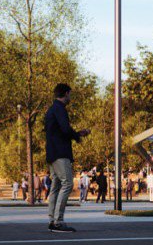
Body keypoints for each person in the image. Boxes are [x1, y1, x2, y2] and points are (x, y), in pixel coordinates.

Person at [44, 83, 90, 233]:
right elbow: (65, 128)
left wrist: (77, 133)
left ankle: (52, 220)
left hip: (52, 153)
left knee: (56, 186)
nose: (70, 97)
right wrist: (77, 135)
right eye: (69, 94)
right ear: (65, 94)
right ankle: (58, 221)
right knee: (68, 184)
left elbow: (59, 130)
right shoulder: (60, 109)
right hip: (60, 153)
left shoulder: (52, 109)